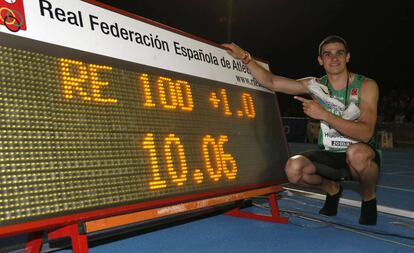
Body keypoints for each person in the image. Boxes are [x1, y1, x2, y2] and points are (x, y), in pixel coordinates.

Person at [223, 35, 380, 225]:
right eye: (327, 54)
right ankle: (332, 189)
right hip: (330, 153)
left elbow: (365, 133)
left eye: (339, 53)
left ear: (348, 57)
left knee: (357, 153)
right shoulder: (314, 85)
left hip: (360, 151)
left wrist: (324, 114)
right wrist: (245, 57)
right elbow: (272, 82)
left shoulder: (366, 86)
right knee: (293, 169)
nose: (334, 58)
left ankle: (368, 198)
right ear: (320, 60)